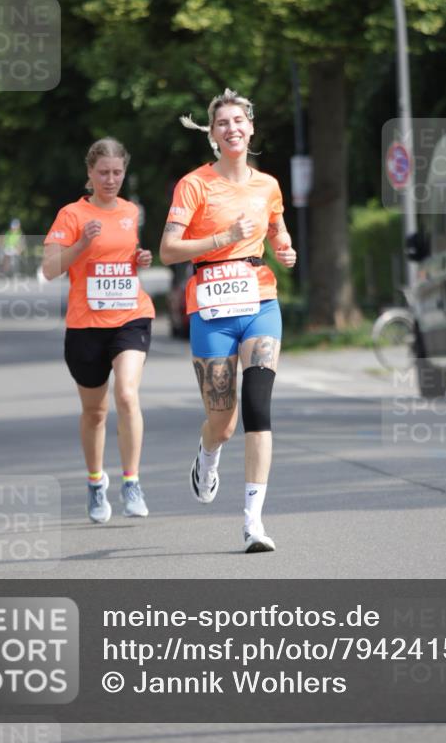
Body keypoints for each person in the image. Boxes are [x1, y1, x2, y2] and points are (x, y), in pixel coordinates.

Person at [159, 88, 297, 553]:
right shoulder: (194, 185)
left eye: (239, 121)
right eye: (222, 123)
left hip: (259, 301)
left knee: (258, 407)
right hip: (212, 309)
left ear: (251, 127)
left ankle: (253, 523)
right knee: (222, 420)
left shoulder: (268, 185)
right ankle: (208, 455)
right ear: (213, 135)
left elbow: (276, 225)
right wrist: (223, 236)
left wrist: (284, 248)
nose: (232, 128)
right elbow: (168, 250)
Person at [42, 138, 155, 524]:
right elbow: (50, 268)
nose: (110, 179)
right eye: (103, 172)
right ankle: (95, 482)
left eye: (117, 172)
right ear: (89, 173)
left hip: (130, 315)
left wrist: (140, 259)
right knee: (95, 412)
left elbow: (124, 260)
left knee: (126, 393)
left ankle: (132, 481)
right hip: (85, 325)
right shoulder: (71, 214)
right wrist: (82, 244)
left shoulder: (130, 210)